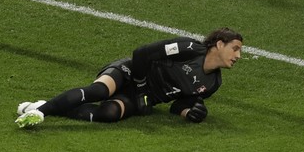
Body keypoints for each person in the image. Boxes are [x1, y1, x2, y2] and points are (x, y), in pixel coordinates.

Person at [15, 27, 243, 128]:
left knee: (109, 114)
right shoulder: (188, 48)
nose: (238, 55)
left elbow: (178, 104)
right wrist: (143, 89)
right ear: (219, 44)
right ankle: (41, 113)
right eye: (235, 48)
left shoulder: (213, 83)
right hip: (130, 72)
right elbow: (142, 53)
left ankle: (46, 105)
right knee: (99, 92)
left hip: (143, 98)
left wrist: (190, 112)